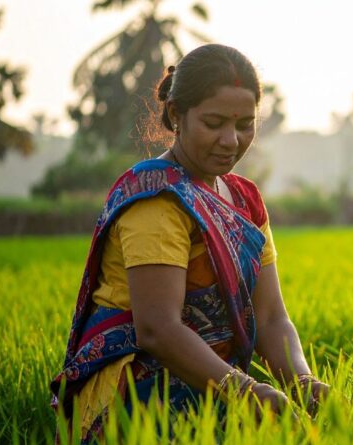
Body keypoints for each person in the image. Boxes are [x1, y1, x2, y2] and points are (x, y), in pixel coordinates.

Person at [50, 43, 329, 442]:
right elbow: (158, 330)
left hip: (214, 382)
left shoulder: (245, 200)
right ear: (177, 115)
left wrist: (303, 381)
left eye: (244, 124)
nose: (231, 140)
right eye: (214, 123)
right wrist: (249, 392)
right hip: (136, 394)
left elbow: (271, 318)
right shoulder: (157, 199)